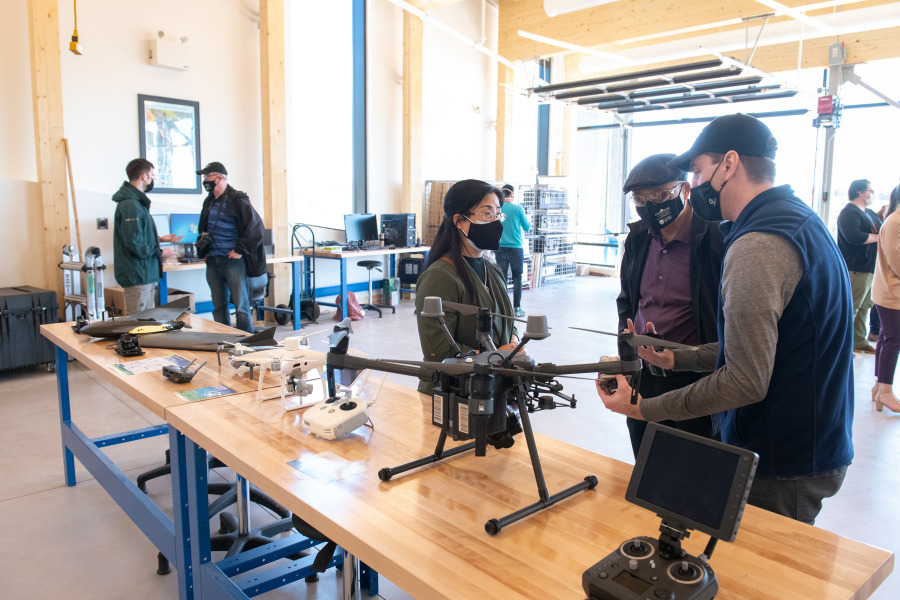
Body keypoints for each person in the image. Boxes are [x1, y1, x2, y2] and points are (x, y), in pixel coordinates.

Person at [597, 114, 854, 525]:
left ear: (729, 164)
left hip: (780, 455)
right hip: (805, 441)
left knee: (759, 583)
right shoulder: (795, 219)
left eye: (697, 171)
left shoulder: (758, 243)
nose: (694, 184)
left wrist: (645, 408)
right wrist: (679, 359)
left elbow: (745, 378)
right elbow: (763, 343)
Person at [616, 153, 725, 457]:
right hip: (643, 374)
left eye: (661, 195)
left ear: (685, 190)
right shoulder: (638, 239)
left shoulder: (715, 239)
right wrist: (625, 362)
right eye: (640, 198)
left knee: (693, 464)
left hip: (695, 375)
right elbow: (627, 301)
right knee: (647, 459)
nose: (651, 205)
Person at [414, 179, 519, 393]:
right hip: (452, 392)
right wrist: (496, 355)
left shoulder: (493, 269)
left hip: (492, 387)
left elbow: (506, 319)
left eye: (498, 214)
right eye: (487, 213)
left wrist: (514, 342)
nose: (496, 222)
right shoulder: (440, 276)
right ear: (460, 221)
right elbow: (440, 351)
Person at [196, 162, 265, 333]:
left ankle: (246, 343)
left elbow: (256, 229)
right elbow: (203, 228)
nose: (205, 180)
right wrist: (203, 252)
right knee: (218, 306)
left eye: (208, 176)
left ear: (219, 177)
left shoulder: (237, 199)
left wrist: (240, 250)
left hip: (232, 261)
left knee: (241, 306)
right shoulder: (209, 201)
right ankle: (224, 340)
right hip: (213, 261)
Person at [112, 158, 177, 315]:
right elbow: (134, 243)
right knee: (136, 322)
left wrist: (159, 239)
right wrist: (161, 252)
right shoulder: (130, 205)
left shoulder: (137, 203)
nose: (152, 179)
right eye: (152, 175)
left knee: (146, 321)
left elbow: (137, 234)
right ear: (144, 176)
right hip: (137, 274)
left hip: (145, 273)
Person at [837, 178, 881, 354]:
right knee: (852, 307)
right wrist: (877, 238)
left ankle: (859, 341)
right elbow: (855, 237)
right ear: (861, 193)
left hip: (870, 268)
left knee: (865, 306)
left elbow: (881, 229)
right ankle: (843, 347)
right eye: (870, 191)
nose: (872, 194)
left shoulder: (869, 212)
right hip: (856, 267)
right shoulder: (849, 213)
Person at [871, 184, 900, 413]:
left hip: (889, 290)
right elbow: (896, 259)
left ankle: (880, 386)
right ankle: (886, 391)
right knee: (893, 339)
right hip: (893, 292)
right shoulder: (895, 221)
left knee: (886, 337)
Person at [495, 183, 532, 317]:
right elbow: (527, 227)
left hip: (500, 247)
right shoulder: (518, 209)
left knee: (502, 278)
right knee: (517, 278)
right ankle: (517, 308)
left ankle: (502, 308)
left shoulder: (498, 209)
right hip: (516, 248)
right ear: (512, 194)